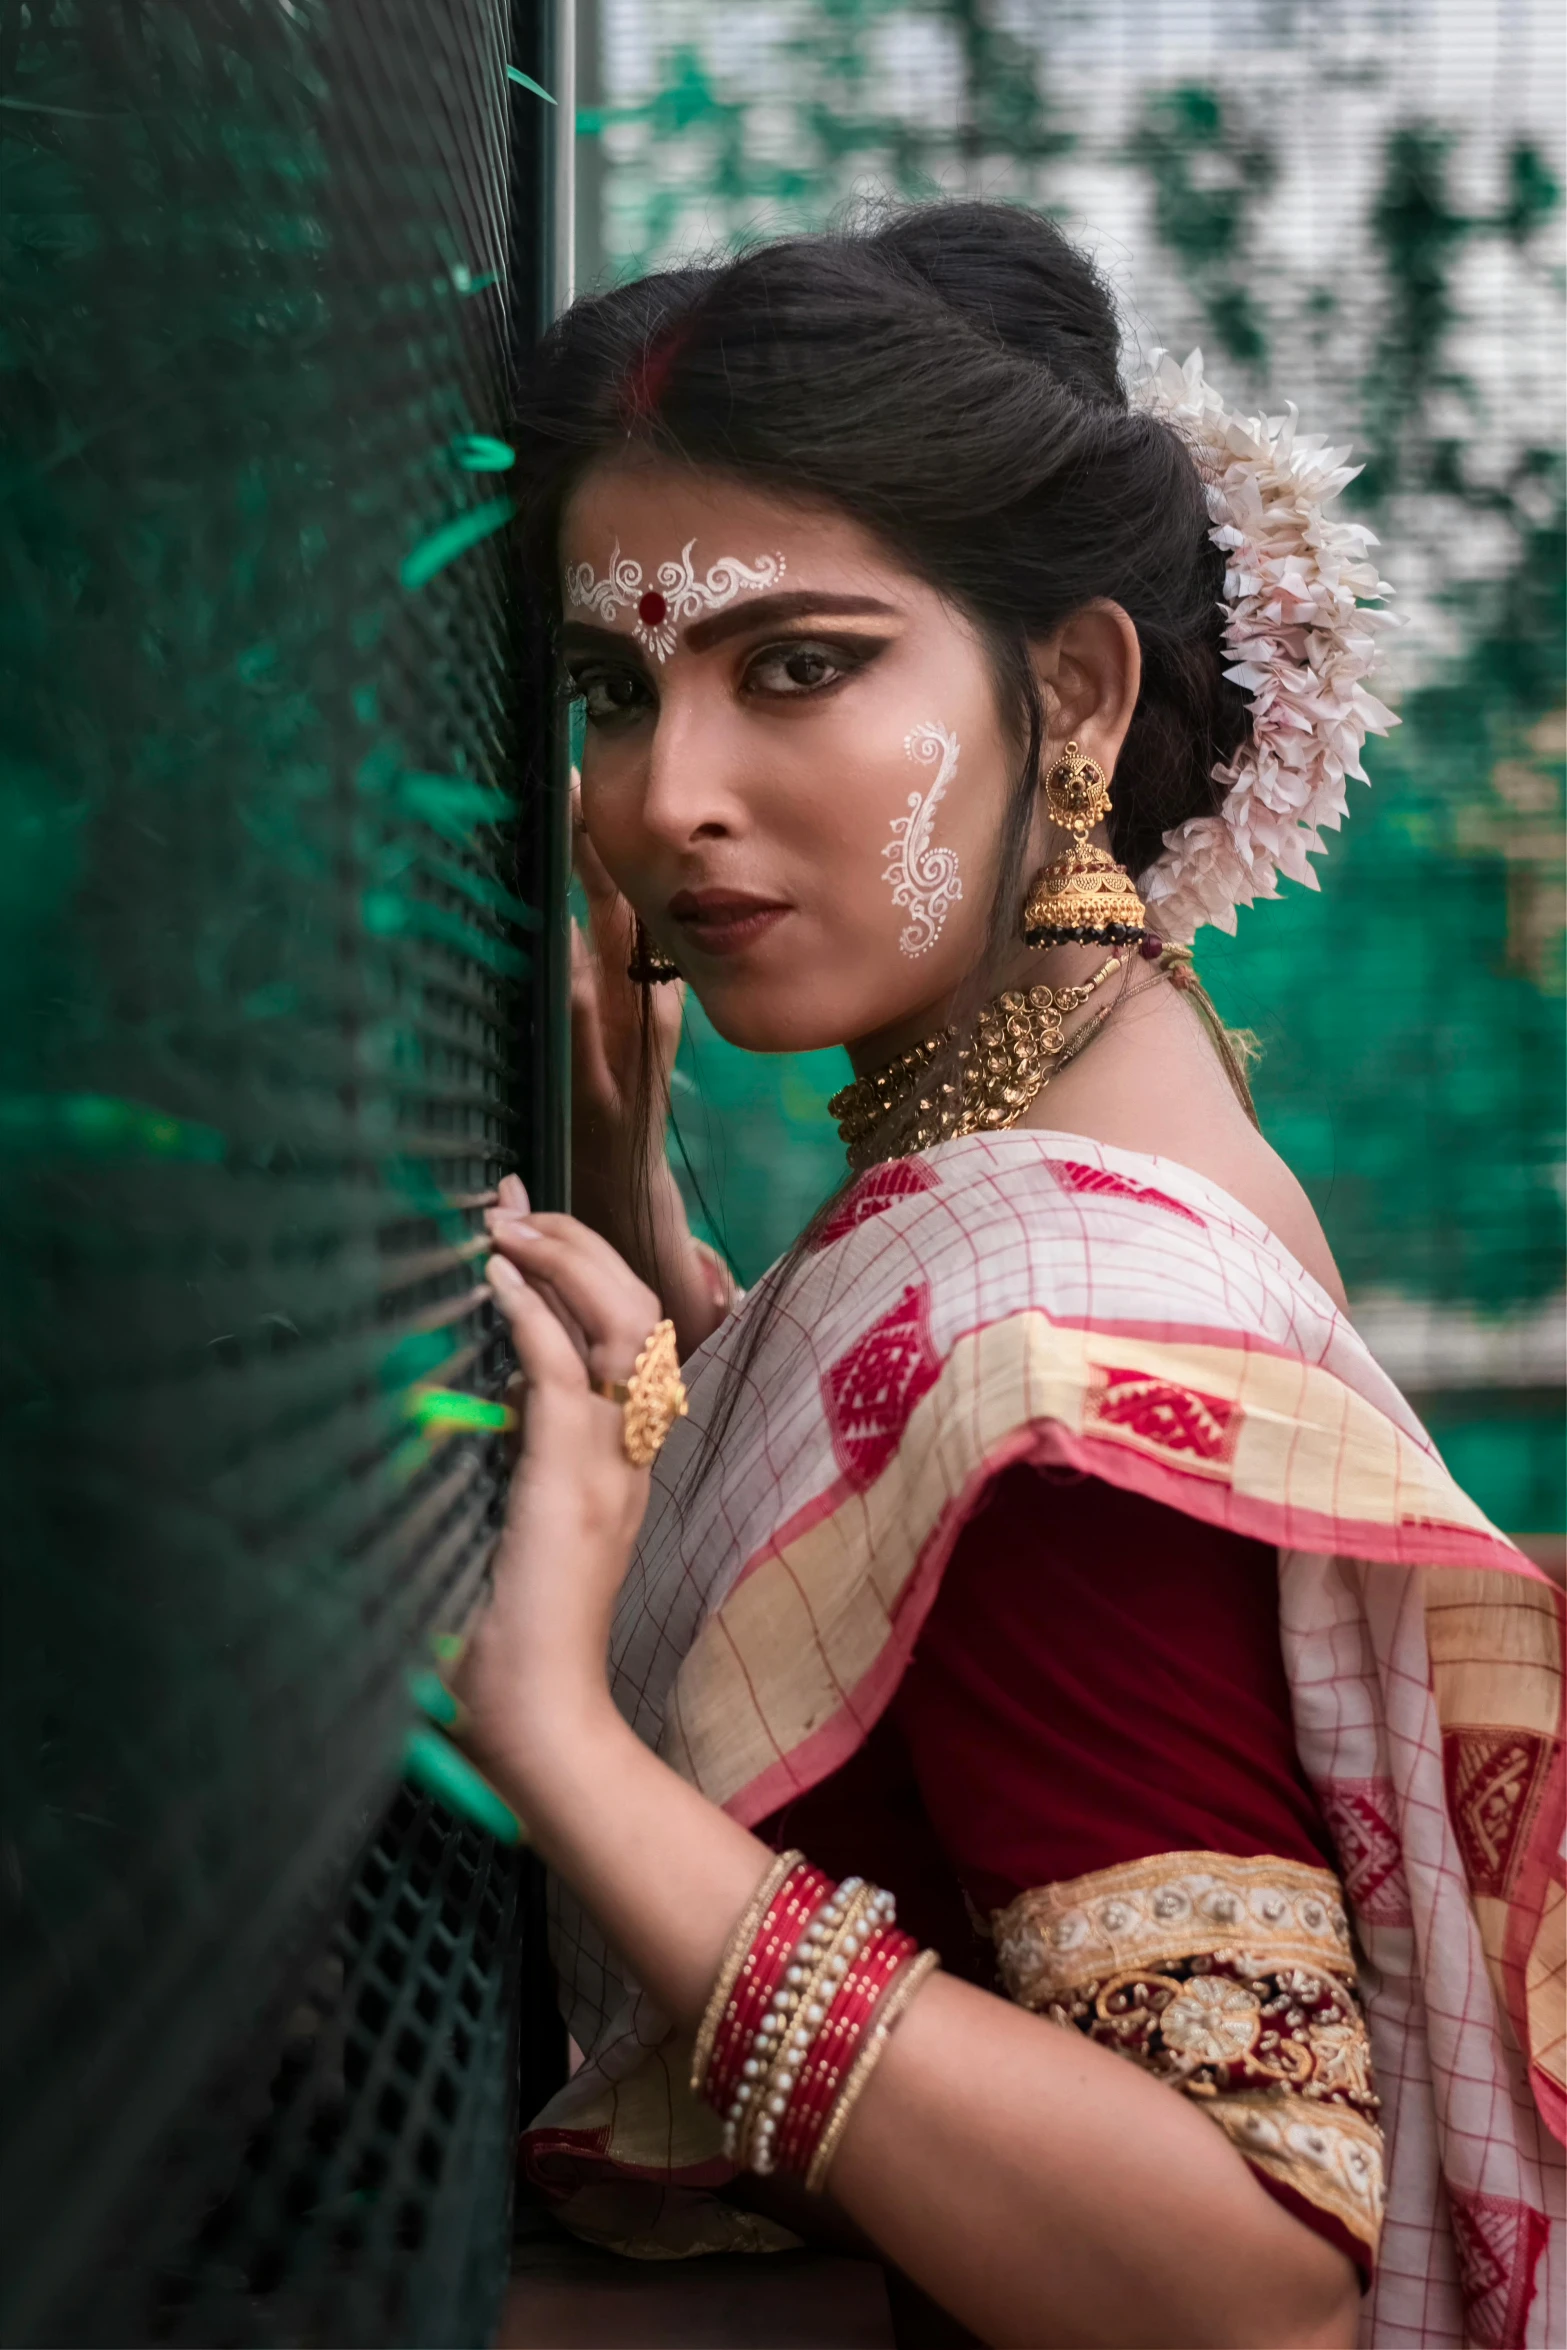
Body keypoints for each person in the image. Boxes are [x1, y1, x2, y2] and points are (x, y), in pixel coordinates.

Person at [454, 204, 1563, 2347]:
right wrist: (663, 1252)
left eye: (797, 664)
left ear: (1066, 690)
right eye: (612, 688)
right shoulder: (1127, 1143)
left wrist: (558, 1744)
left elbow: (1247, 2280)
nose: (660, 799)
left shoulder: (1056, 1347)